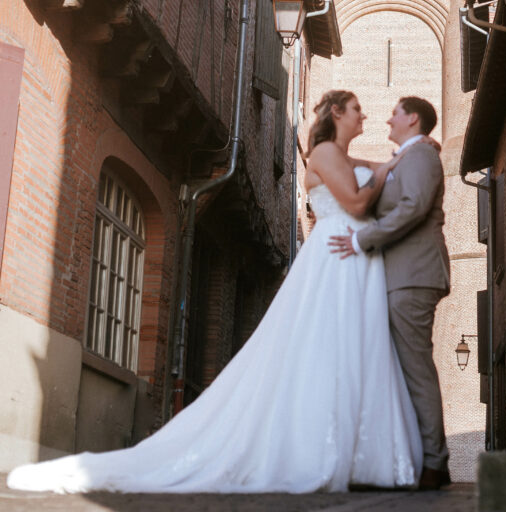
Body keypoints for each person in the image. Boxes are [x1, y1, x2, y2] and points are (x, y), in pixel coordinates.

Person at [8, 90, 422, 495]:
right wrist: (385, 174)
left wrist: (401, 157)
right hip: (338, 254)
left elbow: (362, 167)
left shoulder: (341, 156)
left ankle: (348, 449)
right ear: (337, 112)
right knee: (329, 346)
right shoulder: (327, 153)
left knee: (349, 347)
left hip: (355, 257)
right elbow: (354, 202)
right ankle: (322, 450)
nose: (365, 118)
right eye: (357, 111)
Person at [329, 96, 451, 491]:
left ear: (412, 119)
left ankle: (435, 462)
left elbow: (414, 207)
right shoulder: (408, 156)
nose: (386, 118)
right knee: (395, 370)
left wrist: (364, 238)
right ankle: (409, 457)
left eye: (395, 113)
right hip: (396, 275)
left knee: (415, 368)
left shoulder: (421, 158)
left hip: (413, 275)